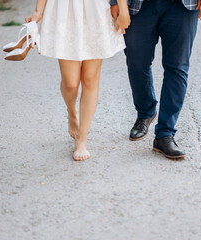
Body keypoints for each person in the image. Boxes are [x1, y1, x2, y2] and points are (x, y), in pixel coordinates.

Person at [110, 0, 201, 160]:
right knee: (137, 62)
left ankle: (165, 133)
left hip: (183, 6)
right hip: (139, 5)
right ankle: (146, 112)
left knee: (177, 67)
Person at [26, 0, 130, 161]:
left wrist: (123, 9)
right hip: (64, 9)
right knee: (70, 82)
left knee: (90, 78)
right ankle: (71, 111)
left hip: (96, 9)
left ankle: (82, 139)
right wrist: (38, 11)